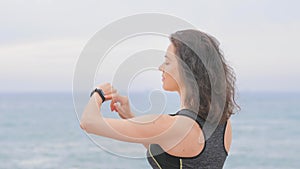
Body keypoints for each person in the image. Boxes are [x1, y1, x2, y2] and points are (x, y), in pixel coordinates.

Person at [80, 29, 239, 169]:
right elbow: (173, 153)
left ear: (187, 70)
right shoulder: (223, 124)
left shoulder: (170, 126)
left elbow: (89, 122)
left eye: (167, 62)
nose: (160, 67)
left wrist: (99, 94)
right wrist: (130, 116)